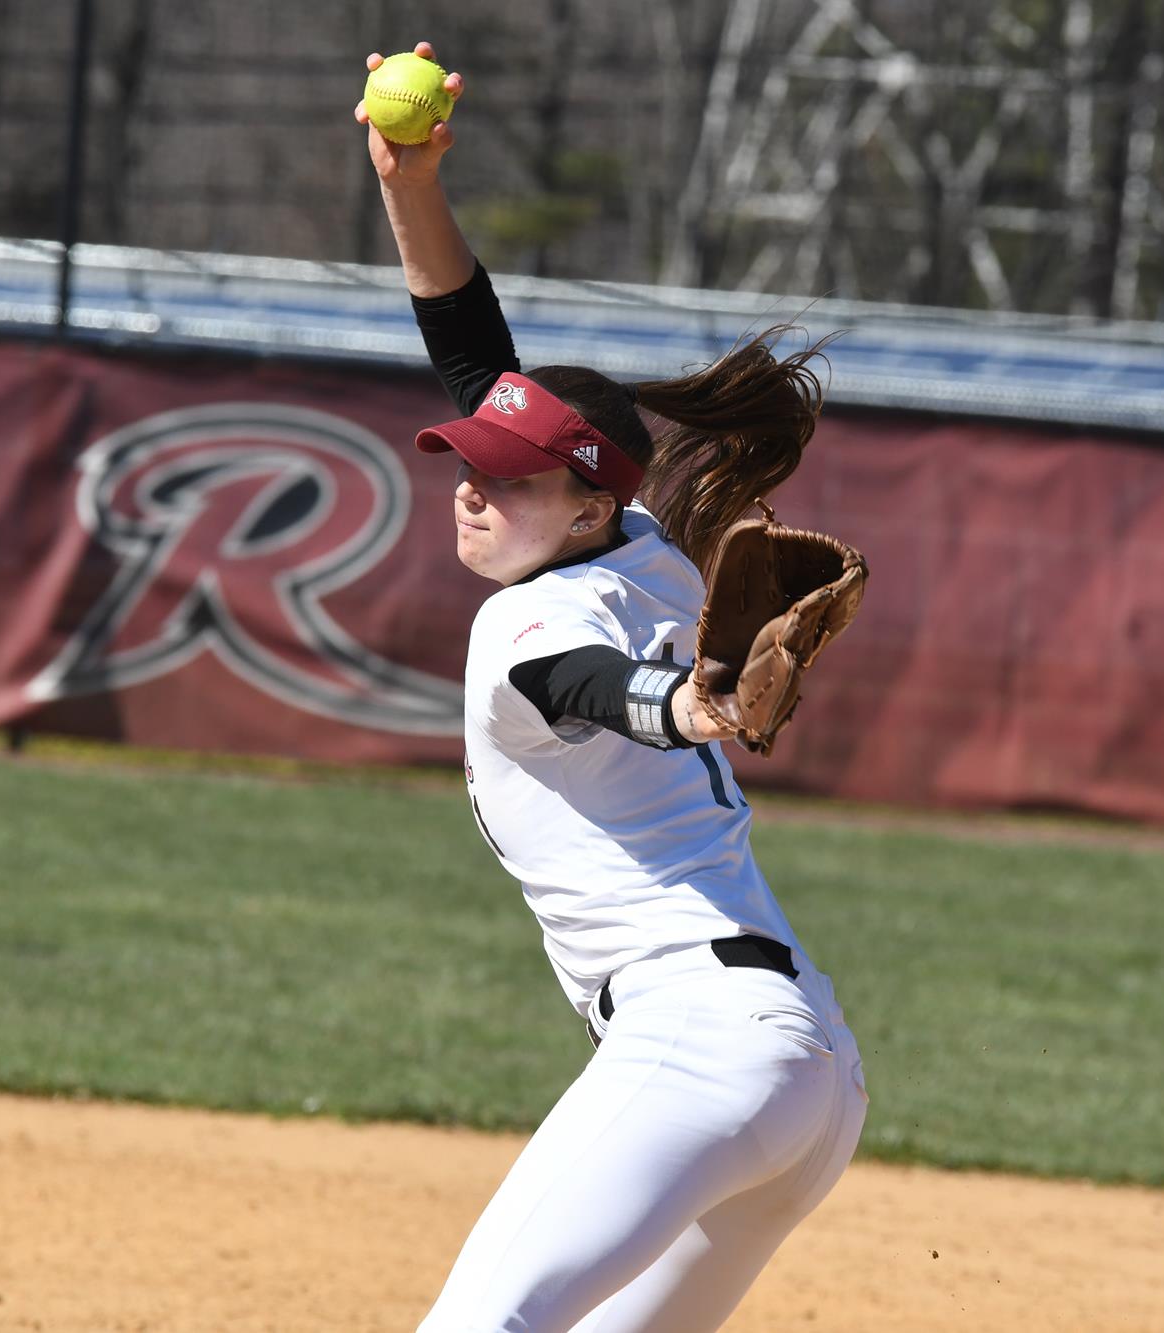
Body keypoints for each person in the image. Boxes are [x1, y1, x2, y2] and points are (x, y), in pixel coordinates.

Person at [357, 43, 868, 1332]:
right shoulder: (641, 548)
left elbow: (597, 690)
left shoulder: (525, 627)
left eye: (510, 479)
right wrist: (408, 185)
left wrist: (690, 707)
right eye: (469, 463)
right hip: (809, 1069)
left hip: (694, 1046)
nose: (473, 486)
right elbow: (481, 363)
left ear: (586, 503)